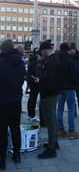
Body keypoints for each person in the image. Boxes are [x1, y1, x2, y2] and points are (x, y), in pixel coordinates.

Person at [0, 40, 26, 170]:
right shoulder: (20, 63)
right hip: (16, 101)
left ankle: (2, 159)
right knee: (15, 129)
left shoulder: (1, 62)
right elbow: (21, 80)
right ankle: (16, 154)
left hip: (2, 101)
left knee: (2, 131)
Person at [37, 41, 60, 159]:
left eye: (42, 52)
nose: (42, 55)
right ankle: (54, 142)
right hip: (52, 93)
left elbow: (49, 80)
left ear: (45, 51)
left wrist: (40, 81)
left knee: (50, 121)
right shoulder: (54, 59)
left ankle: (52, 149)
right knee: (52, 119)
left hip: (49, 94)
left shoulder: (51, 62)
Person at [56, 43, 79, 139]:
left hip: (59, 88)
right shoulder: (69, 59)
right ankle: (71, 130)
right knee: (71, 109)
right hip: (69, 87)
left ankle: (60, 129)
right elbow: (75, 73)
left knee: (60, 109)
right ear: (67, 50)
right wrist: (75, 84)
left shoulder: (56, 58)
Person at [69, 43, 79, 118]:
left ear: (75, 50)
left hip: (78, 80)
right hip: (70, 81)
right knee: (72, 98)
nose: (71, 51)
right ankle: (73, 111)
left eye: (73, 50)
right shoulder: (68, 57)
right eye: (70, 50)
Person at [27, 48, 40, 122]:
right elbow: (32, 72)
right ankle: (31, 115)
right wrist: (35, 78)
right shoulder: (34, 62)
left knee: (32, 98)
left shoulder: (32, 61)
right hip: (34, 82)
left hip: (32, 81)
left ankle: (30, 114)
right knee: (33, 98)